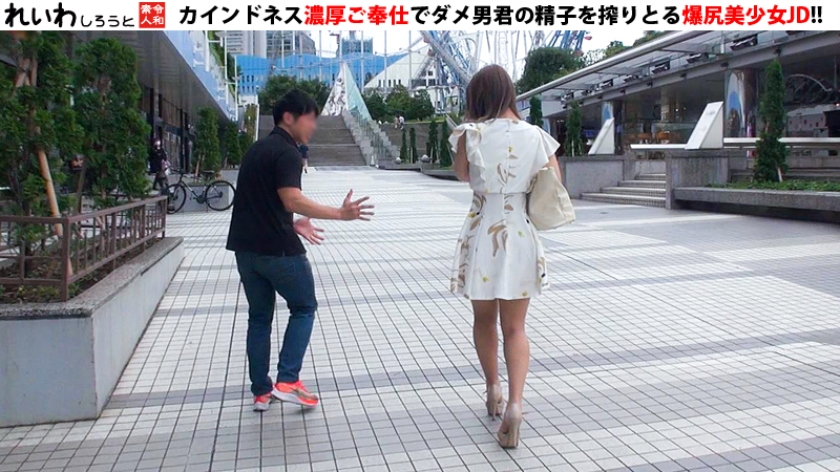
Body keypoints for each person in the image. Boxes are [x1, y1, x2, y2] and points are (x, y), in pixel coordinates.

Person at [226, 90, 374, 412]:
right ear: (289, 118)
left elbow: (258, 204)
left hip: (246, 251)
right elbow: (291, 199)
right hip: (278, 251)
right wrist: (340, 214)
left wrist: (292, 224)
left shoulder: (255, 150)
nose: (313, 126)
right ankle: (288, 380)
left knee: (259, 317)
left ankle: (261, 392)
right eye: (309, 118)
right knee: (304, 307)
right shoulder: (288, 153)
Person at [449, 65, 562, 449]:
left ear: (477, 97)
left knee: (484, 320)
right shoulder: (537, 136)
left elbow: (462, 175)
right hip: (519, 233)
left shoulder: (470, 134)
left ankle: (492, 388)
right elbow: (554, 184)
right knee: (516, 328)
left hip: (483, 232)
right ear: (510, 93)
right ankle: (515, 404)